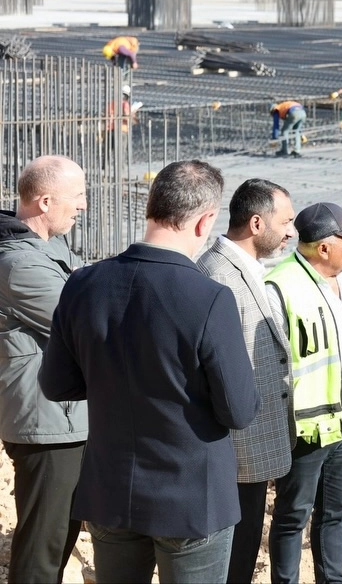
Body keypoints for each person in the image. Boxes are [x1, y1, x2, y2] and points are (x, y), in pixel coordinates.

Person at [39, 160, 259, 584]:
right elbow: (239, 411)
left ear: (150, 207)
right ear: (205, 221)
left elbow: (56, 384)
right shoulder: (209, 298)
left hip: (110, 492)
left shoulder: (82, 284)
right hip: (191, 500)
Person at [265, 202, 342, 584]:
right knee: (293, 514)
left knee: (336, 510)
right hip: (306, 423)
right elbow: (271, 364)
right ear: (324, 248)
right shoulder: (281, 286)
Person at [196, 180, 297, 584]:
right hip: (234, 456)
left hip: (251, 451)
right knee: (232, 564)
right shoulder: (218, 274)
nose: (291, 232)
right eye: (285, 222)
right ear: (257, 223)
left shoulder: (248, 270)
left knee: (244, 554)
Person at [0, 157, 89, 584]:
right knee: (43, 547)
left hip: (64, 418)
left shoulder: (46, 248)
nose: (83, 205)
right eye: (78, 196)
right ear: (46, 201)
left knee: (59, 534)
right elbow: (84, 324)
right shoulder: (19, 264)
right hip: (47, 423)